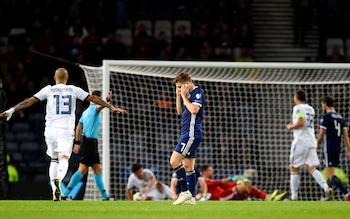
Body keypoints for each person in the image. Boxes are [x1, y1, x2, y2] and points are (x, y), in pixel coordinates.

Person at [0, 68, 123, 201]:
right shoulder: (73, 89)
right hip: (65, 130)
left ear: (54, 78)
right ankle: (59, 180)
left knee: (53, 159)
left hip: (50, 130)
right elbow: (93, 98)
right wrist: (111, 106)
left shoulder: (48, 89)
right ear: (67, 78)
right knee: (63, 158)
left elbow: (29, 101)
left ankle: (55, 190)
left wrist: (12, 109)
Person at [62, 90, 127, 200]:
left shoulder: (85, 112)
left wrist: (77, 143)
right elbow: (100, 107)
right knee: (82, 169)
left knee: (97, 169)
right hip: (90, 143)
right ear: (98, 99)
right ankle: (65, 195)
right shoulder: (94, 109)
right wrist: (108, 101)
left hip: (89, 143)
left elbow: (78, 126)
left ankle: (106, 197)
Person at [286, 89, 332, 201]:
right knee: (311, 167)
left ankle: (294, 197)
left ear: (296, 97)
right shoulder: (311, 109)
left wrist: (291, 126)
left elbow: (301, 121)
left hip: (301, 141)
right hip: (311, 141)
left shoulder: (297, 108)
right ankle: (326, 188)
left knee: (293, 167)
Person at [169, 72, 205, 205]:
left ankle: (184, 192)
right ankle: (192, 198)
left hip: (191, 133)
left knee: (174, 161)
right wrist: (179, 96)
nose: (178, 89)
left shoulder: (197, 93)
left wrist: (184, 96)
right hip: (186, 132)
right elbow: (179, 111)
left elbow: (194, 110)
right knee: (188, 166)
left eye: (179, 86)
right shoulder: (187, 96)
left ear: (187, 84)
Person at [316, 95, 350, 201]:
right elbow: (345, 136)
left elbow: (321, 134)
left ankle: (347, 193)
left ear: (325, 104)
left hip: (328, 148)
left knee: (330, 175)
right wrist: (349, 150)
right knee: (329, 173)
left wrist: (315, 145)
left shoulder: (326, 117)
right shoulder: (340, 117)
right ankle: (325, 196)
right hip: (337, 149)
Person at [200, 164, 286, 201]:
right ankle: (269, 198)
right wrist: (232, 178)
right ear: (204, 172)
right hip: (221, 198)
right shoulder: (203, 181)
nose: (212, 172)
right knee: (244, 187)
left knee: (246, 186)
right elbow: (218, 183)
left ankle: (270, 197)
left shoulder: (211, 181)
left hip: (226, 194)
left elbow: (225, 186)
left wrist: (237, 183)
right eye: (210, 170)